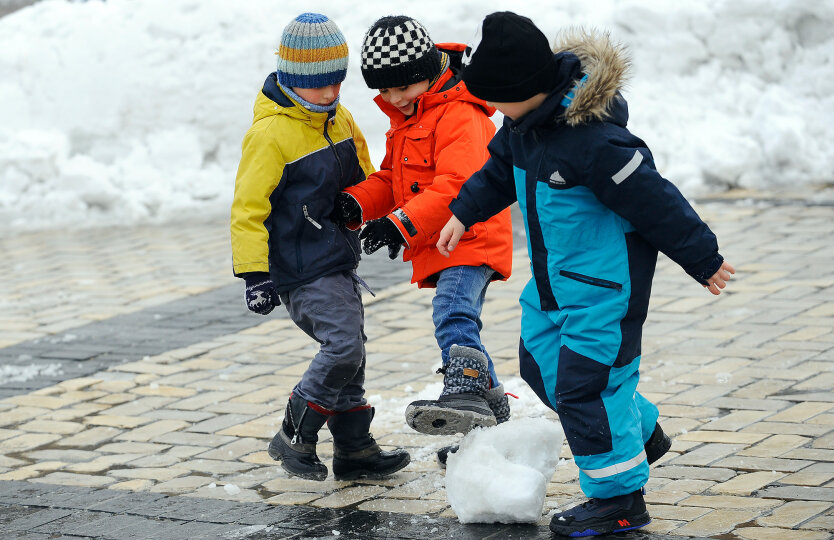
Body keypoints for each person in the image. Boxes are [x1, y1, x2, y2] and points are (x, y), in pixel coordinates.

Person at [436, 12, 736, 537]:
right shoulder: (522, 125)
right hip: (553, 287)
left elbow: (656, 200)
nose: (492, 109)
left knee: (587, 390)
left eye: (496, 98)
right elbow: (497, 172)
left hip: (604, 293)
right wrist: (464, 211)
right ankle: (639, 431)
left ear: (524, 88)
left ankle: (618, 500)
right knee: (539, 366)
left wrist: (703, 258)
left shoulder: (594, 141)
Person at [230, 12, 410, 482]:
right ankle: (294, 433)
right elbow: (248, 209)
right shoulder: (269, 135)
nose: (330, 94)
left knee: (353, 355)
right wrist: (254, 275)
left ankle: (354, 449)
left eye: (337, 82)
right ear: (292, 79)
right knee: (343, 348)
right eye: (319, 85)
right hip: (301, 268)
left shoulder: (340, 118)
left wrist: (377, 214)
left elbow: (366, 180)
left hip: (337, 257)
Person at [331, 15, 515, 448]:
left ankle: (466, 391)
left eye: (403, 87)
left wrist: (402, 225)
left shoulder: (460, 115)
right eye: (384, 90)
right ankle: (491, 412)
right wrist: (359, 202)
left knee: (452, 311)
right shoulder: (408, 118)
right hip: (441, 239)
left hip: (471, 235)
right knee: (456, 315)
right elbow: (393, 177)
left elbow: (457, 184)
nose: (394, 99)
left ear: (428, 74)